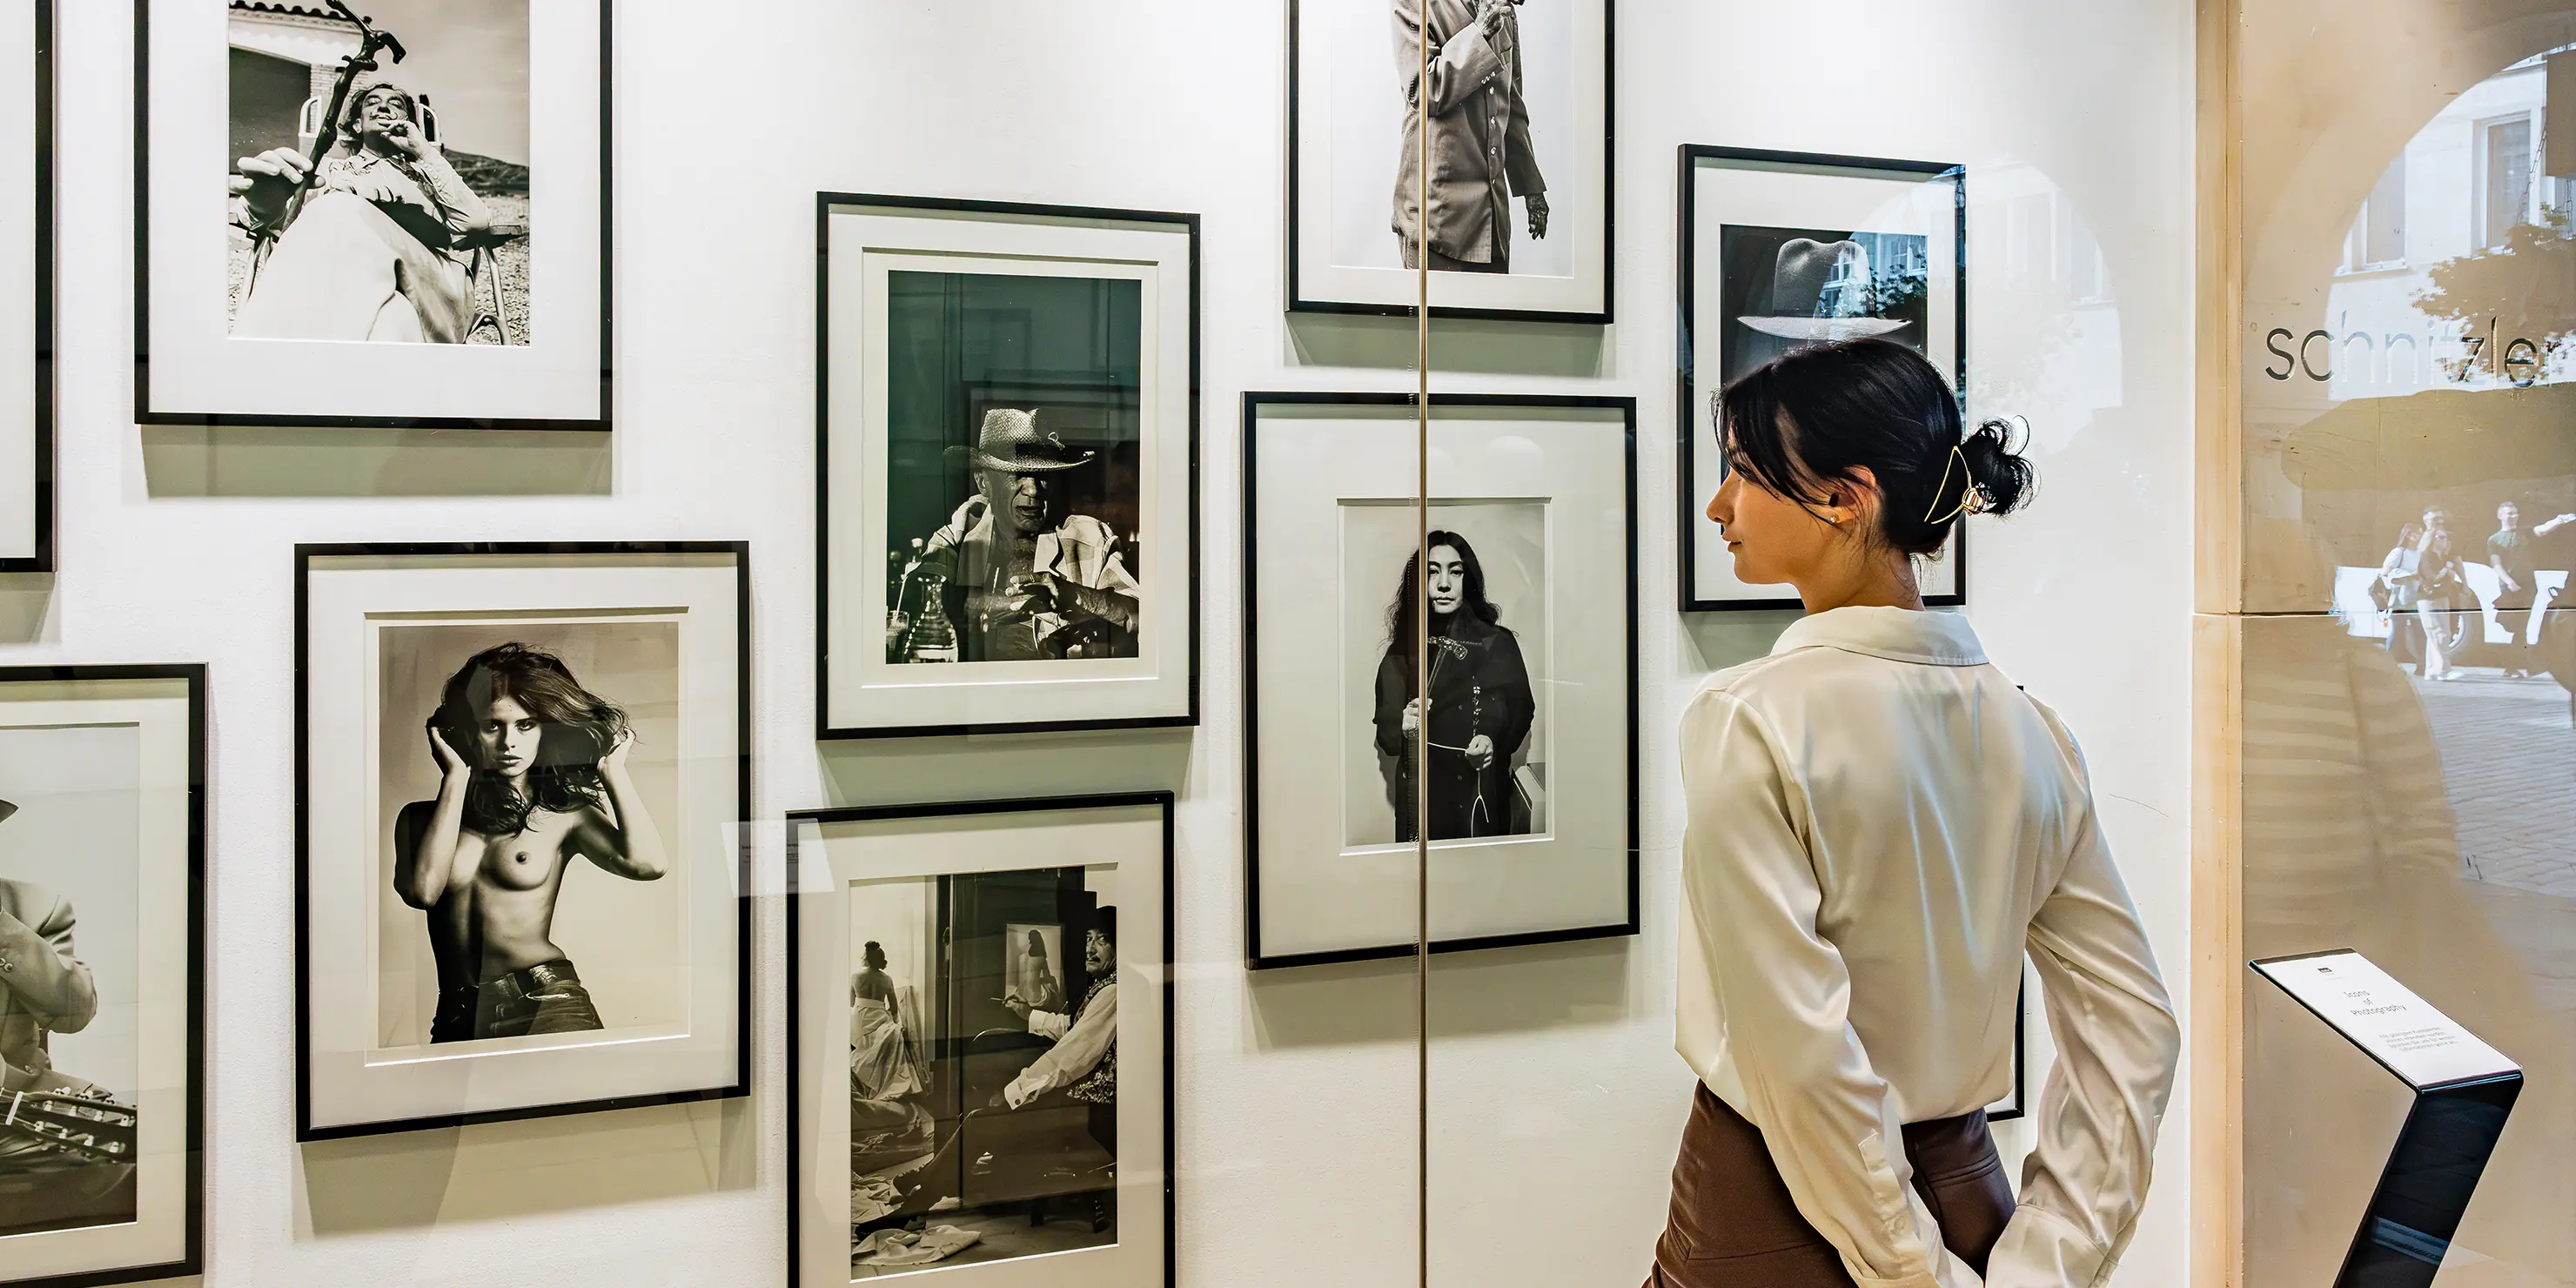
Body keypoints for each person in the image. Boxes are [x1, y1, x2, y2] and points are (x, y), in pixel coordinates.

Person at [1657, 338, 2178, 1288]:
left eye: (1740, 472)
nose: (1718, 507)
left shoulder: (1749, 722)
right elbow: (2132, 1026)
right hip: (1969, 1200)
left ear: (1843, 497)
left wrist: (1910, 1271)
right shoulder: (2032, 731)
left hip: (1776, 1217)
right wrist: (2044, 1261)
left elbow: (1802, 1055)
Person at [396, 644, 667, 1043]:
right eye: (493, 725)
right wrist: (454, 777)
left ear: (546, 730)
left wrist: (613, 771)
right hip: (458, 1014)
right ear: (470, 729)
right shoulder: (420, 818)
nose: (509, 742)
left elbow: (648, 865)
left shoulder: (564, 816)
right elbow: (423, 892)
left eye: (526, 725)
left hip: (547, 1000)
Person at [229, 78, 494, 343]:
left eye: (395, 104)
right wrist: (262, 203)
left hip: (430, 292)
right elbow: (273, 221)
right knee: (390, 323)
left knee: (335, 206)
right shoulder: (327, 171)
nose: (383, 108)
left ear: (409, 124)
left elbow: (475, 222)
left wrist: (423, 152)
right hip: (353, 294)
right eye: (373, 103)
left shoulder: (429, 174)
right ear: (358, 124)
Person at [891, 409, 1141, 663]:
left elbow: (1146, 618)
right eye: (1018, 475)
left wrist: (1075, 595)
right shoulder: (959, 534)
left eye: (1043, 476)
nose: (1033, 489)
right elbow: (909, 607)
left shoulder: (1087, 538)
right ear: (983, 482)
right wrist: (991, 603)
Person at [0, 800, 134, 1234]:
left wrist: (5, 933)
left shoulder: (37, 907)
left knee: (130, 1151)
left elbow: (73, 1014)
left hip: (18, 1098)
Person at [1371, 532, 1537, 842]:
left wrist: (1492, 740)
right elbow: (1388, 736)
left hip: (1481, 793)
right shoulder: (1403, 649)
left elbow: (1520, 709)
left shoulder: (1497, 643)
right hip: (1422, 795)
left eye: (1455, 571)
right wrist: (1404, 726)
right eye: (1432, 572)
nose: (1443, 583)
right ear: (1419, 582)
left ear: (1468, 579)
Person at [1391, 0, 1548, 273]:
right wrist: (1481, 31)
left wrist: (1531, 188)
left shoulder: (1499, 8)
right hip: (1436, 224)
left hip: (1493, 223)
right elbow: (1422, 91)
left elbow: (1511, 103)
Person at [851, 942, 924, 1101]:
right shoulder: (887, 979)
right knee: (887, 1040)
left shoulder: (855, 976)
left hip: (859, 1019)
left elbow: (851, 1002)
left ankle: (863, 1085)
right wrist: (891, 1021)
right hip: (880, 1016)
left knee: (862, 1049)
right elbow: (894, 1008)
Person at [2411, 508, 2466, 682]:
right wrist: (2446, 571)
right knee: (2440, 634)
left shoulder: (2440, 556)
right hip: (2428, 599)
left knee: (2438, 634)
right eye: (2441, 537)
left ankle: (2432, 671)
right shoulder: (2426, 556)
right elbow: (2432, 579)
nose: (2445, 540)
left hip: (2442, 597)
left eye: (2445, 538)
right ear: (2432, 539)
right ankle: (2445, 670)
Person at [2488, 502, 2537, 677]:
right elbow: (2497, 565)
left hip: (2529, 587)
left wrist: (2559, 520)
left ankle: (2518, 666)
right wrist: (2509, 582)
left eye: (2515, 513)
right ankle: (2515, 666)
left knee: (2523, 626)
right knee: (2516, 627)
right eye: (2509, 513)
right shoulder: (2494, 540)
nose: (2514, 516)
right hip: (2511, 590)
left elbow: (2543, 530)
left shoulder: (2524, 533)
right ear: (2500, 515)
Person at [2377, 520, 2426, 671]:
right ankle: (2388, 665)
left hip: (2416, 597)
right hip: (2399, 599)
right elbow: (2385, 572)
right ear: (2406, 535)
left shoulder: (2422, 554)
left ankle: (2422, 666)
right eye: (2412, 533)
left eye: (2418, 532)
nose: (2415, 536)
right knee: (2398, 631)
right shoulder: (2399, 552)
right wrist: (2410, 576)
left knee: (2420, 631)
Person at [1016, 929, 1063, 1014]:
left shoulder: (1022, 957)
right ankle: (1061, 1005)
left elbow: (1024, 977)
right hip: (1035, 997)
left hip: (1021, 993)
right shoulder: (1041, 959)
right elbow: (1047, 977)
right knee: (1052, 980)